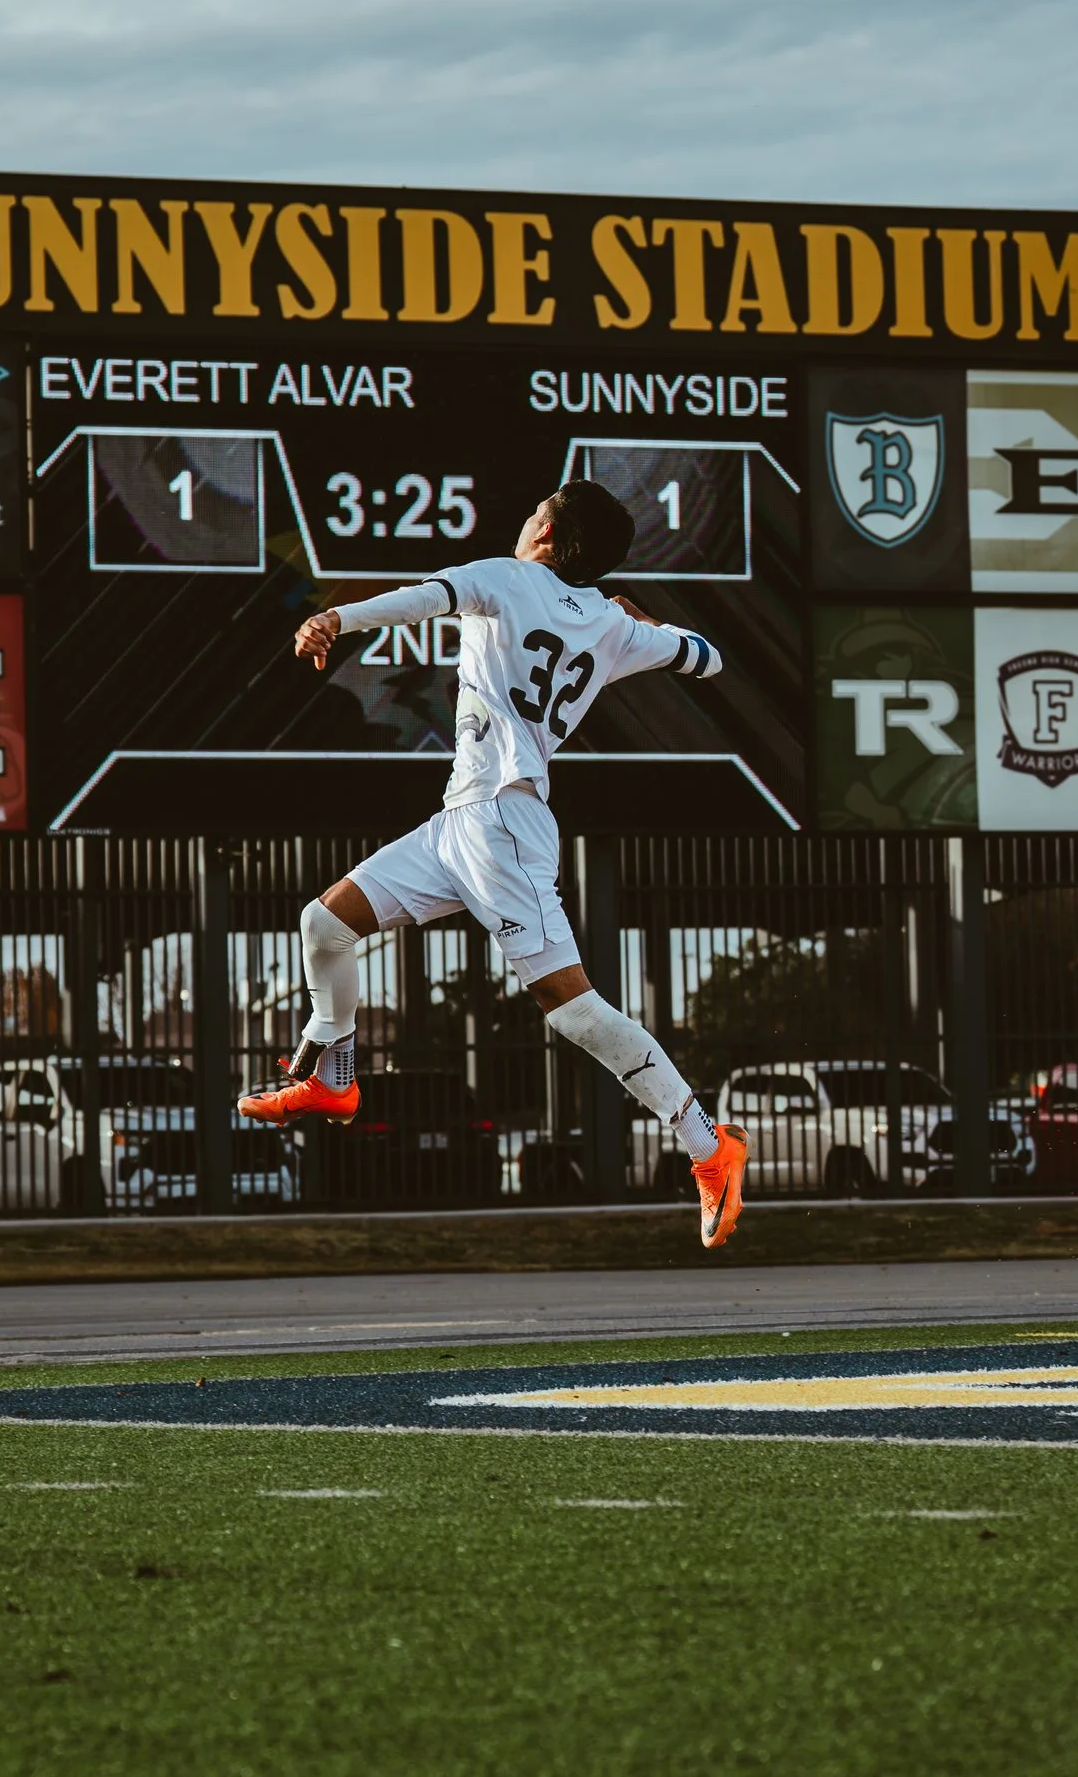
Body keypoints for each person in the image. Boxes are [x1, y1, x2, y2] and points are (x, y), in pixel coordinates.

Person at [239, 479, 748, 1247]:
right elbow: (707, 659)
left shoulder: (508, 577)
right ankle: (332, 1079)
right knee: (326, 923)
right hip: (462, 823)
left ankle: (710, 1148)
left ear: (544, 536)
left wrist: (335, 617)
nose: (526, 518)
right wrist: (648, 625)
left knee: (572, 1008)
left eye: (534, 511)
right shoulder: (612, 624)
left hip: (501, 824)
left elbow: (422, 598)